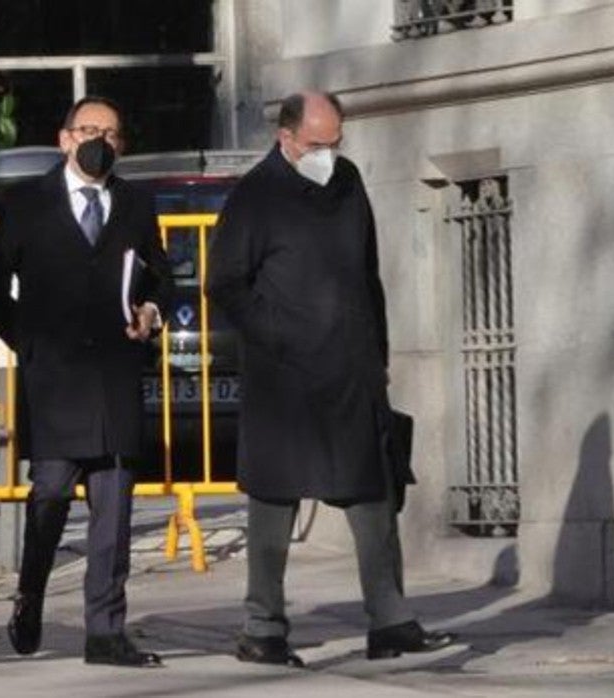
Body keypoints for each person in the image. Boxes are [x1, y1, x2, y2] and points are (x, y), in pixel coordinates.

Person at [206, 91, 456, 667]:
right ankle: (263, 627)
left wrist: (379, 353)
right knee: (274, 502)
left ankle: (390, 620)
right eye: (317, 143)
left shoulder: (347, 183)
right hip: (284, 378)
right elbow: (225, 283)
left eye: (335, 141)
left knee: (373, 496)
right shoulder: (254, 197)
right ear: (286, 138)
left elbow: (367, 274)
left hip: (350, 370)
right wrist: (278, 334)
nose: (327, 152)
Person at [0, 95, 173, 668]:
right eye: (89, 130)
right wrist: (28, 345)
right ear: (64, 139)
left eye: (111, 134)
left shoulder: (135, 202)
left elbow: (161, 277)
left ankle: (106, 630)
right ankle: (31, 593)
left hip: (114, 374)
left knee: (113, 508)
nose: (99, 142)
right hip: (55, 380)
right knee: (52, 494)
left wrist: (152, 312)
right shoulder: (25, 203)